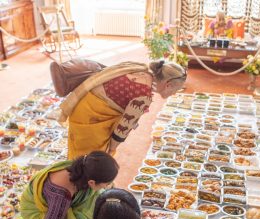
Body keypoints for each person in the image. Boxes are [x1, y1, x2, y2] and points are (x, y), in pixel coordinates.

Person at [58, 60, 187, 159]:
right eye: (176, 90)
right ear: (168, 85)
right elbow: (121, 132)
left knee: (81, 156)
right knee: (90, 159)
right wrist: (109, 152)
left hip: (84, 107)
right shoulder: (143, 94)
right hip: (91, 118)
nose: (174, 94)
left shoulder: (141, 70)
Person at [20, 151, 119, 219]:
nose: (108, 185)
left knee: (100, 195)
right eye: (107, 183)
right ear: (91, 182)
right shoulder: (60, 198)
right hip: (38, 209)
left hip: (63, 199)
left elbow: (99, 191)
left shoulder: (83, 166)